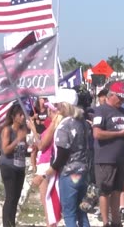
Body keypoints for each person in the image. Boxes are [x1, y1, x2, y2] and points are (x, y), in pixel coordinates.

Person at [92, 81, 124, 227]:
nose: (122, 100)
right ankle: (106, 222)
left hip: (121, 157)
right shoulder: (101, 111)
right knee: (105, 192)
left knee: (118, 191)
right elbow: (97, 133)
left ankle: (117, 221)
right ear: (111, 95)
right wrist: (119, 133)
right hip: (106, 159)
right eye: (120, 97)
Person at [42, 88, 90, 227]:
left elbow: (62, 153)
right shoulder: (83, 123)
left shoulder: (65, 125)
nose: (56, 108)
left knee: (69, 213)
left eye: (57, 105)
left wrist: (51, 170)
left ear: (64, 105)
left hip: (69, 173)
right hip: (83, 171)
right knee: (82, 212)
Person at [30, 98, 63, 227]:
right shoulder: (54, 124)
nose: (48, 110)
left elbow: (42, 146)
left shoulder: (54, 125)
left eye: (50, 108)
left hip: (46, 164)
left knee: (47, 203)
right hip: (45, 163)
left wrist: (32, 128)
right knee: (48, 202)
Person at [0, 104, 29, 227]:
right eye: (20, 115)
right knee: (10, 197)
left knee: (16, 197)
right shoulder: (8, 130)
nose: (22, 117)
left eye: (24, 115)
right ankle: (7, 224)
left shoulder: (24, 130)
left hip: (20, 166)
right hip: (8, 166)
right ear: (13, 116)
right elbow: (5, 150)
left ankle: (12, 223)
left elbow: (24, 149)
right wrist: (17, 140)